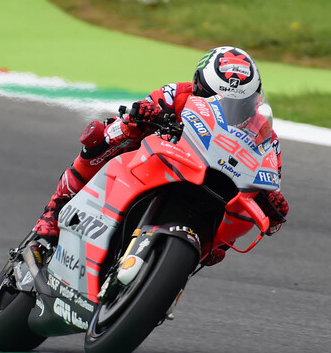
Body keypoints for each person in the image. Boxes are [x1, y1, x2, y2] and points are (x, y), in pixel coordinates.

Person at [32, 46, 289, 265]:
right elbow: (138, 111)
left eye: (240, 104)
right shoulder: (177, 94)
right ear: (200, 86)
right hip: (153, 163)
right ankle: (55, 210)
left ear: (254, 100)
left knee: (226, 240)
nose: (230, 109)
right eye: (217, 98)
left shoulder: (266, 136)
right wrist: (141, 116)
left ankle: (180, 265)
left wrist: (272, 206)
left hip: (211, 186)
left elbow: (269, 182)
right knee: (107, 134)